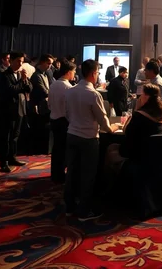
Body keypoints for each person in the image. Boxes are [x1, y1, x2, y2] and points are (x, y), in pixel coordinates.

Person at [64, 59, 120, 221]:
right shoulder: (93, 94)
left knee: (72, 172)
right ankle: (84, 211)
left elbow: (67, 114)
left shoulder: (70, 91)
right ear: (93, 73)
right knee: (88, 175)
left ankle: (69, 207)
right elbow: (104, 122)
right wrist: (113, 128)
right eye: (98, 73)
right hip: (88, 139)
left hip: (72, 134)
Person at [0, 51, 32, 173]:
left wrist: (25, 81)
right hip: (7, 111)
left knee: (15, 136)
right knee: (5, 137)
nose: (20, 64)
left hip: (19, 109)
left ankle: (12, 157)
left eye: (22, 61)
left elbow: (29, 88)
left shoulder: (20, 74)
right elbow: (10, 90)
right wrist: (22, 81)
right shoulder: (2, 74)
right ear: (11, 61)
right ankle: (4, 162)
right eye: (18, 61)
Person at [48, 59, 76, 183]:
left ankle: (55, 174)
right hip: (64, 121)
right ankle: (60, 176)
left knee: (56, 149)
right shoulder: (68, 87)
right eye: (74, 71)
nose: (74, 74)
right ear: (69, 72)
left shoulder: (53, 84)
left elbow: (49, 104)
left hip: (54, 119)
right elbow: (69, 109)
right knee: (64, 150)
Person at [30, 54, 54, 154]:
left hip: (44, 105)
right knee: (39, 128)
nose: (50, 66)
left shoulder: (46, 73)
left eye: (51, 64)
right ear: (42, 62)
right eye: (48, 63)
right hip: (38, 105)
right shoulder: (36, 75)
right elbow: (44, 91)